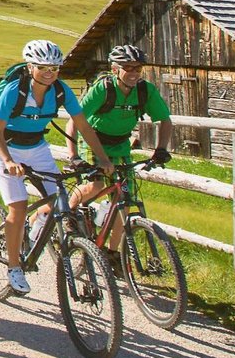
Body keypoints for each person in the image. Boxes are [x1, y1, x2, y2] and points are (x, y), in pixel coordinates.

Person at [0, 39, 110, 296]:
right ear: (30, 67)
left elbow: (84, 127)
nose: (50, 73)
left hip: (37, 147)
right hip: (7, 148)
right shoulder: (14, 91)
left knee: (58, 198)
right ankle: (14, 268)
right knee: (18, 206)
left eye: (55, 68)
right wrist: (9, 161)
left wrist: (103, 159)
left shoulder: (61, 91)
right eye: (43, 67)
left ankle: (36, 226)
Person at [68, 44, 174, 257]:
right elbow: (75, 120)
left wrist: (161, 148)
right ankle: (69, 213)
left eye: (138, 68)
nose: (134, 73)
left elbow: (165, 120)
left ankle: (112, 253)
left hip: (120, 144)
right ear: (116, 69)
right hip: (92, 141)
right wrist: (73, 156)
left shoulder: (146, 91)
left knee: (124, 202)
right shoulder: (103, 89)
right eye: (128, 67)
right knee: (95, 185)